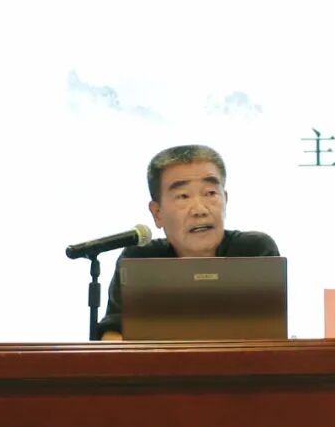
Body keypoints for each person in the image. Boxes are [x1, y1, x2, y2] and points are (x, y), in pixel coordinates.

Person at [97, 144, 279, 340]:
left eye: (210, 193)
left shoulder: (254, 252)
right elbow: (113, 336)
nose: (200, 209)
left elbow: (272, 338)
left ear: (225, 200)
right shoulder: (141, 259)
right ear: (157, 213)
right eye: (183, 196)